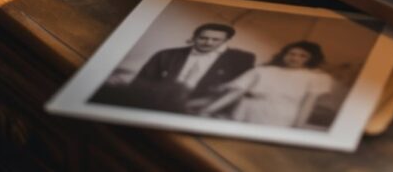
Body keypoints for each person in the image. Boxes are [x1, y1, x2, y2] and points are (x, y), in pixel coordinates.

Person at [119, 23, 255, 113]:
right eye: (203, 38)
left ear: (225, 41)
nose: (208, 43)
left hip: (199, 110)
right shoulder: (166, 55)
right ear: (194, 37)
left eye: (216, 40)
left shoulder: (237, 61)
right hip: (157, 105)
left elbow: (235, 92)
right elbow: (141, 82)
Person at [199, 41, 334, 128]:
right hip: (245, 113)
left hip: (279, 119)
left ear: (311, 58)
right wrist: (208, 110)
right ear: (284, 55)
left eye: (302, 55)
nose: (295, 58)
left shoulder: (317, 78)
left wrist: (297, 127)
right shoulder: (262, 71)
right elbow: (235, 92)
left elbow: (307, 105)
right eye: (291, 53)